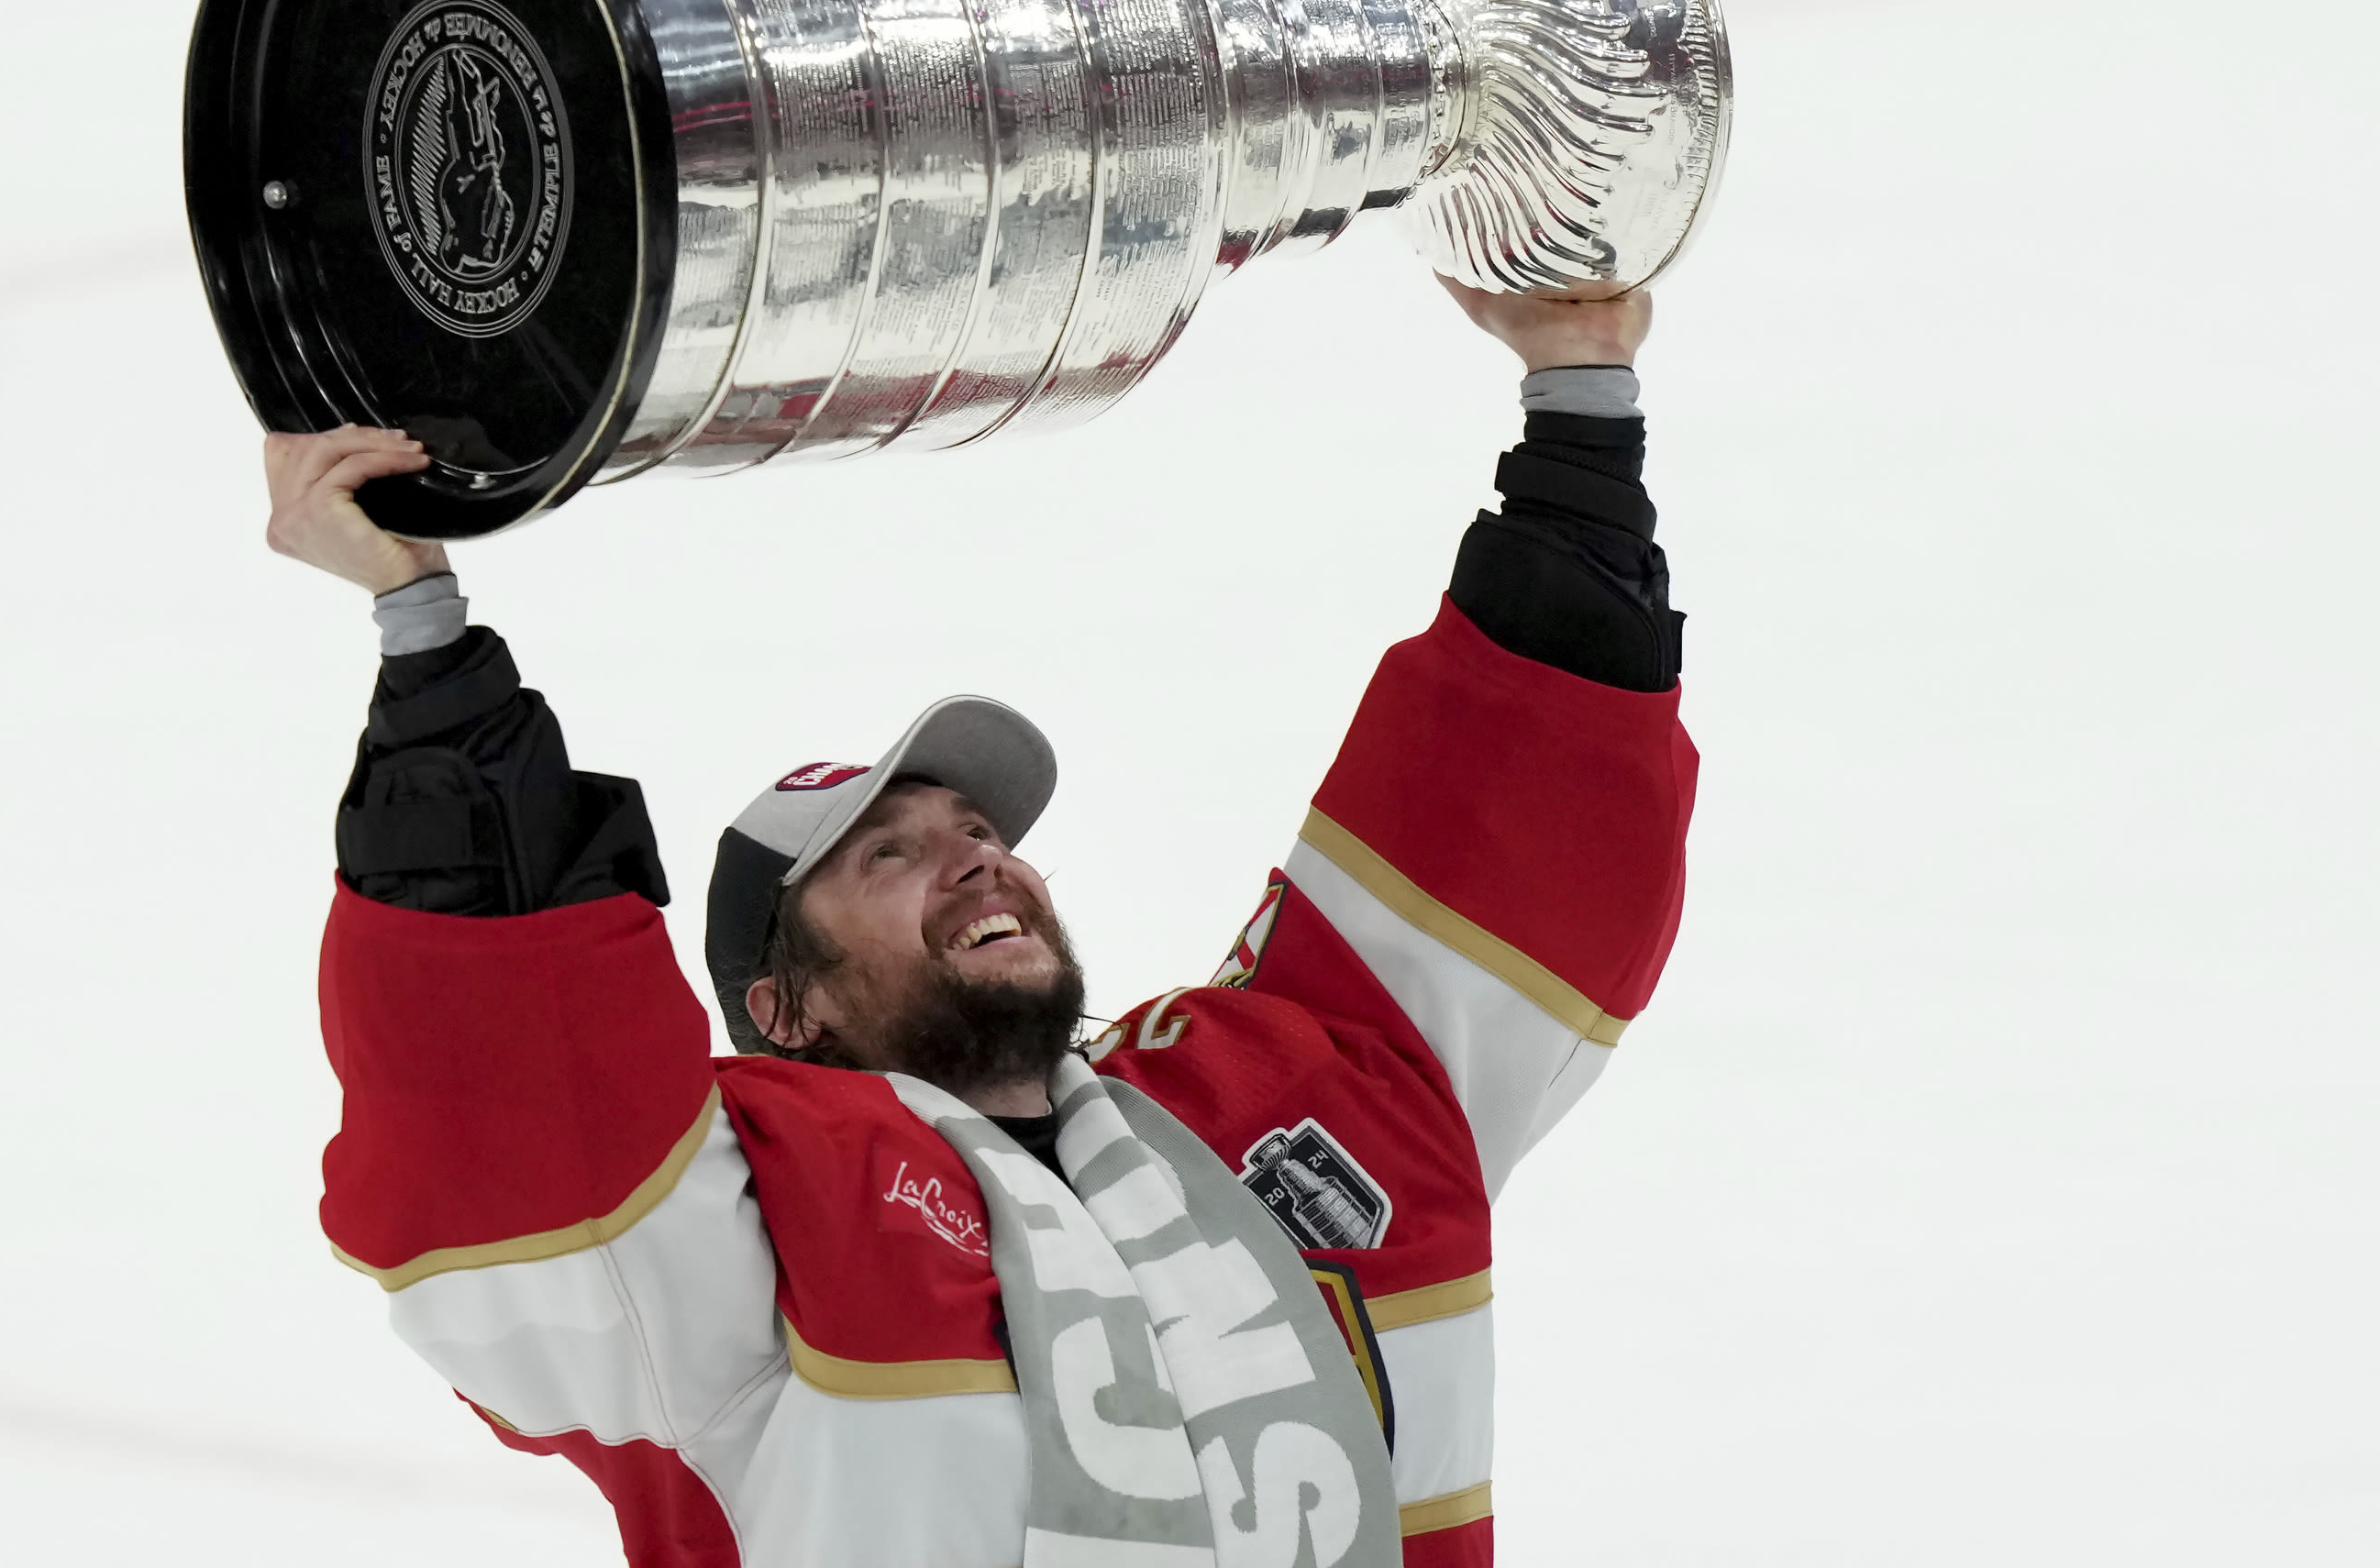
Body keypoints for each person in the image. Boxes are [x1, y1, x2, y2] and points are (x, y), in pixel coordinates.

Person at [266, 282, 1696, 1568]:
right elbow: (520, 1112)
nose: (975, 861)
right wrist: (421, 625)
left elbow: (1518, 815)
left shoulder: (1294, 1106)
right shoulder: (745, 1252)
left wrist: (1579, 393)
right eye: (886, 855)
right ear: (786, 1006)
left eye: (982, 833)